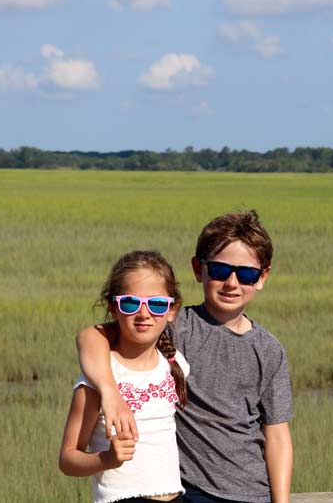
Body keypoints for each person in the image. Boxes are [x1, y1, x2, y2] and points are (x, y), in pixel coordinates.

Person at [77, 210, 293, 503]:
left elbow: (277, 436)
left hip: (252, 492)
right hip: (187, 490)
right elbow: (91, 336)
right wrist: (109, 392)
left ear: (262, 277)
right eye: (218, 270)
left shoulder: (269, 350)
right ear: (198, 269)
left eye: (246, 275)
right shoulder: (171, 325)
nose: (231, 283)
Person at [60, 250, 190, 503]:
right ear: (114, 308)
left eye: (157, 304)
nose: (144, 314)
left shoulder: (175, 364)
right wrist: (107, 459)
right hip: (122, 498)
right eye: (130, 303)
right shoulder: (97, 378)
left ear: (172, 310)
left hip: (175, 496)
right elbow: (67, 459)